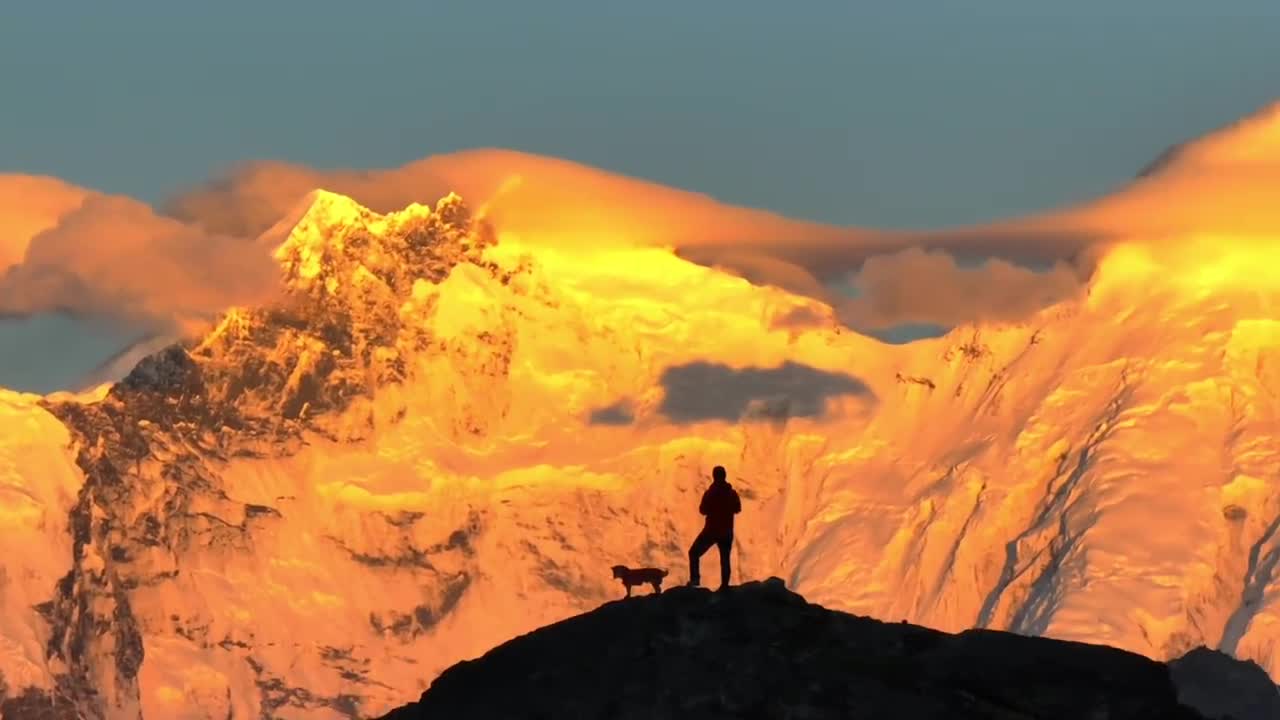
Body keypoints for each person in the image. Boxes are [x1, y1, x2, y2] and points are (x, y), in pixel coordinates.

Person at [688, 465, 742, 591]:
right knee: (725, 559)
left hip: (711, 530)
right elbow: (738, 508)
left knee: (694, 552)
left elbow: (703, 510)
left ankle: (695, 579)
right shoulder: (731, 493)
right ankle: (724, 585)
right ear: (725, 476)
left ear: (714, 476)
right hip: (727, 531)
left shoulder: (710, 493)